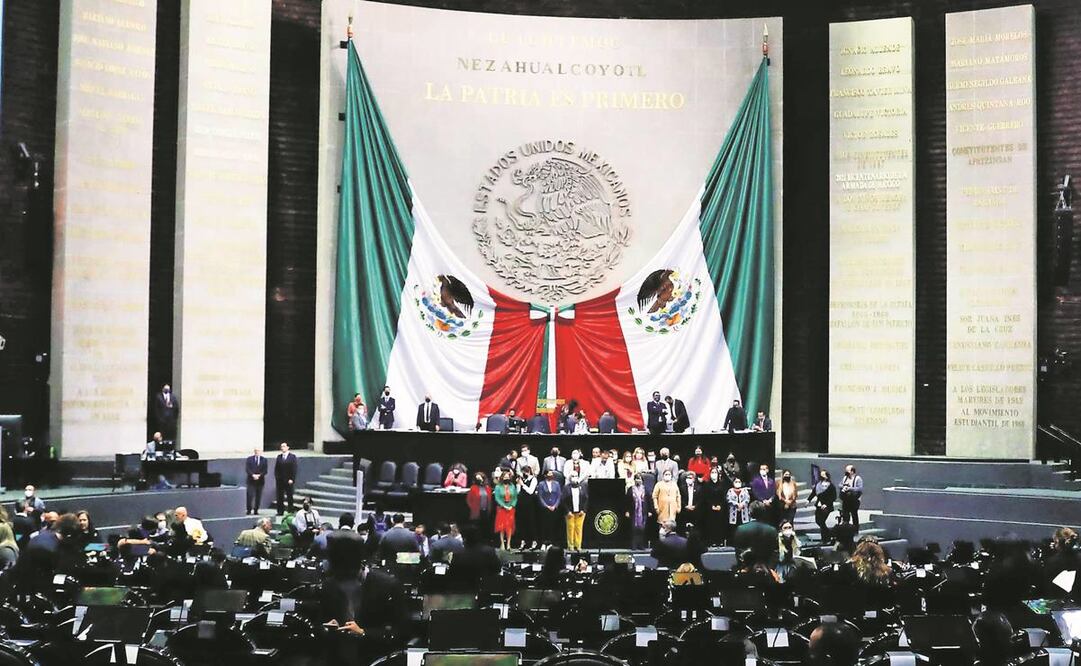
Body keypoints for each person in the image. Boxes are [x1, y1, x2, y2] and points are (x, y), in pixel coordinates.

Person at [319, 526, 409, 666]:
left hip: (374, 658)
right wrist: (327, 628)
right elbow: (321, 621)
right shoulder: (328, 585)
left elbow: (402, 632)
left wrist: (363, 633)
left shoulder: (388, 586)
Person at [732, 502, 779, 568]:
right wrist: (770, 569)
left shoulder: (741, 529)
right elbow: (775, 553)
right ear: (764, 512)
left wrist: (743, 567)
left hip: (747, 570)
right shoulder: (772, 530)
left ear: (750, 513)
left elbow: (739, 552)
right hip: (766, 570)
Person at [701, 468, 728, 546]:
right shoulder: (706, 484)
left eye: (715, 472)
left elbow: (724, 496)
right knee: (711, 525)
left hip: (720, 508)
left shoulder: (722, 484)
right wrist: (711, 505)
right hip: (710, 509)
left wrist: (720, 505)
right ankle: (712, 541)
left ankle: (720, 541)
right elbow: (705, 497)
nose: (714, 474)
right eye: (712, 472)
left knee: (720, 525)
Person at [808, 468, 837, 540]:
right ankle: (828, 534)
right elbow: (813, 493)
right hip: (819, 505)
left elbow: (833, 497)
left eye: (823, 474)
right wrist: (808, 500)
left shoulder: (831, 486)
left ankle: (826, 537)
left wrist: (826, 504)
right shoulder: (818, 485)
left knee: (822, 521)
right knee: (818, 521)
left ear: (827, 476)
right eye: (821, 474)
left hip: (827, 507)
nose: (821, 475)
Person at [493, 472, 518, 550]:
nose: (506, 479)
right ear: (502, 478)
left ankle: (508, 544)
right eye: (505, 477)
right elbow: (497, 498)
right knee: (502, 527)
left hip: (511, 509)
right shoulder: (498, 487)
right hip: (501, 508)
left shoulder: (512, 486)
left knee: (509, 527)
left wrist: (512, 506)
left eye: (508, 477)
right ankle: (502, 544)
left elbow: (515, 498)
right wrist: (504, 506)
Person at [625, 474, 651, 550]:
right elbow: (627, 501)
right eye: (636, 479)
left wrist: (649, 511)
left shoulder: (646, 489)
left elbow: (649, 501)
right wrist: (627, 511)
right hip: (633, 512)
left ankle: (641, 545)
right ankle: (634, 545)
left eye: (639, 479)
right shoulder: (631, 489)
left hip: (643, 512)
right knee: (633, 529)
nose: (638, 480)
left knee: (642, 529)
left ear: (642, 481)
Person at [561, 477, 588, 551]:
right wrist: (567, 511)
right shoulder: (566, 488)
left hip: (580, 512)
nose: (574, 478)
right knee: (570, 528)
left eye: (576, 476)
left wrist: (583, 510)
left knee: (578, 529)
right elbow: (563, 500)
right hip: (570, 512)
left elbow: (586, 499)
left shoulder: (582, 487)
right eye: (572, 476)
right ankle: (571, 545)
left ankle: (578, 545)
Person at [538, 471, 563, 546]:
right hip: (545, 508)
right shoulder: (541, 484)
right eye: (549, 474)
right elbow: (540, 496)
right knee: (545, 526)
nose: (551, 475)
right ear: (545, 475)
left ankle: (552, 542)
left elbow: (559, 496)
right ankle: (544, 542)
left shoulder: (556, 484)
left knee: (554, 526)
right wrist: (546, 506)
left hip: (554, 508)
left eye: (551, 474)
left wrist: (555, 505)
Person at [516, 466, 538, 549]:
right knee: (522, 523)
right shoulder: (522, 480)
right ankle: (523, 541)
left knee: (531, 522)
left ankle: (534, 542)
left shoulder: (533, 479)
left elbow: (530, 491)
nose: (524, 474)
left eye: (526, 472)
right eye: (523, 472)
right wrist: (518, 484)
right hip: (522, 503)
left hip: (530, 504)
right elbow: (518, 492)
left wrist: (523, 484)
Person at [274, 442, 298, 515]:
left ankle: (290, 510)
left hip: (288, 480)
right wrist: (277, 477)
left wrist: (292, 479)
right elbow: (276, 469)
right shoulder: (279, 457)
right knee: (279, 496)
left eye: (284, 446)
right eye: (281, 446)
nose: (282, 448)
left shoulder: (292, 457)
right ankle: (280, 511)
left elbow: (294, 469)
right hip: (280, 480)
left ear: (288, 447)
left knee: (289, 496)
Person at [839, 465, 863, 530]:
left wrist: (850, 488)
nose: (846, 472)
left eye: (848, 471)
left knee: (854, 514)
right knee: (845, 514)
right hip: (846, 499)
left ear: (852, 471)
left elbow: (860, 488)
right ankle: (846, 529)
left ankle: (855, 530)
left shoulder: (858, 478)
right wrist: (843, 486)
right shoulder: (845, 478)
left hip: (854, 499)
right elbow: (840, 484)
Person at [245, 447, 268, 515]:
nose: (257, 452)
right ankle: (249, 510)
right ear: (254, 451)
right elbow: (247, 469)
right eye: (256, 451)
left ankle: (256, 510)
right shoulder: (249, 459)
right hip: (251, 481)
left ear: (261, 452)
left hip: (260, 481)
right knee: (250, 495)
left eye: (258, 451)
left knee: (258, 496)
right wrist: (253, 475)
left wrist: (259, 475)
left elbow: (265, 470)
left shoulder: (264, 460)